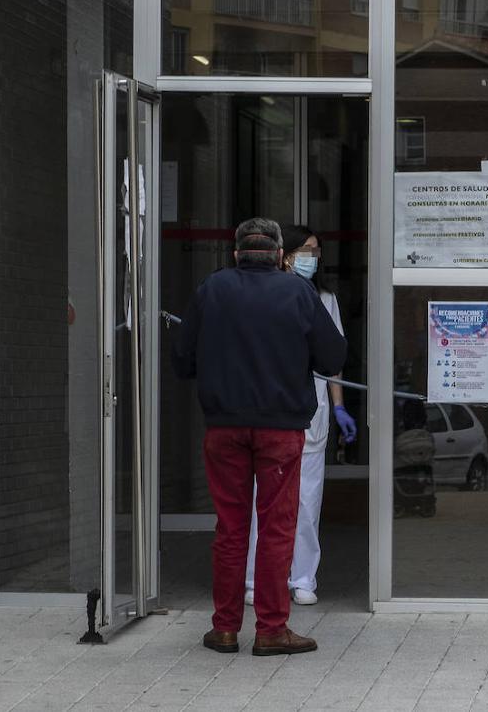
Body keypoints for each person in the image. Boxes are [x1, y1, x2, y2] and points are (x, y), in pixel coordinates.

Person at [172, 218, 347, 656]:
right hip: (281, 430)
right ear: (278, 256)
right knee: (276, 527)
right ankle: (271, 629)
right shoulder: (298, 293)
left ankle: (225, 628)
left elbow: (181, 359)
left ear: (235, 254)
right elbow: (333, 356)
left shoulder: (212, 289)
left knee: (231, 528)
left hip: (224, 427)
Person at [243, 225, 357, 608]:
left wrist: (339, 406)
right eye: (306, 250)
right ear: (285, 254)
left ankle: (303, 576)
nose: (313, 257)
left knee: (308, 500)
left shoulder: (325, 299)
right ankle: (256, 580)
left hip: (314, 413)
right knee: (266, 498)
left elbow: (334, 361)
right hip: (271, 410)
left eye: (316, 250)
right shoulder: (262, 295)